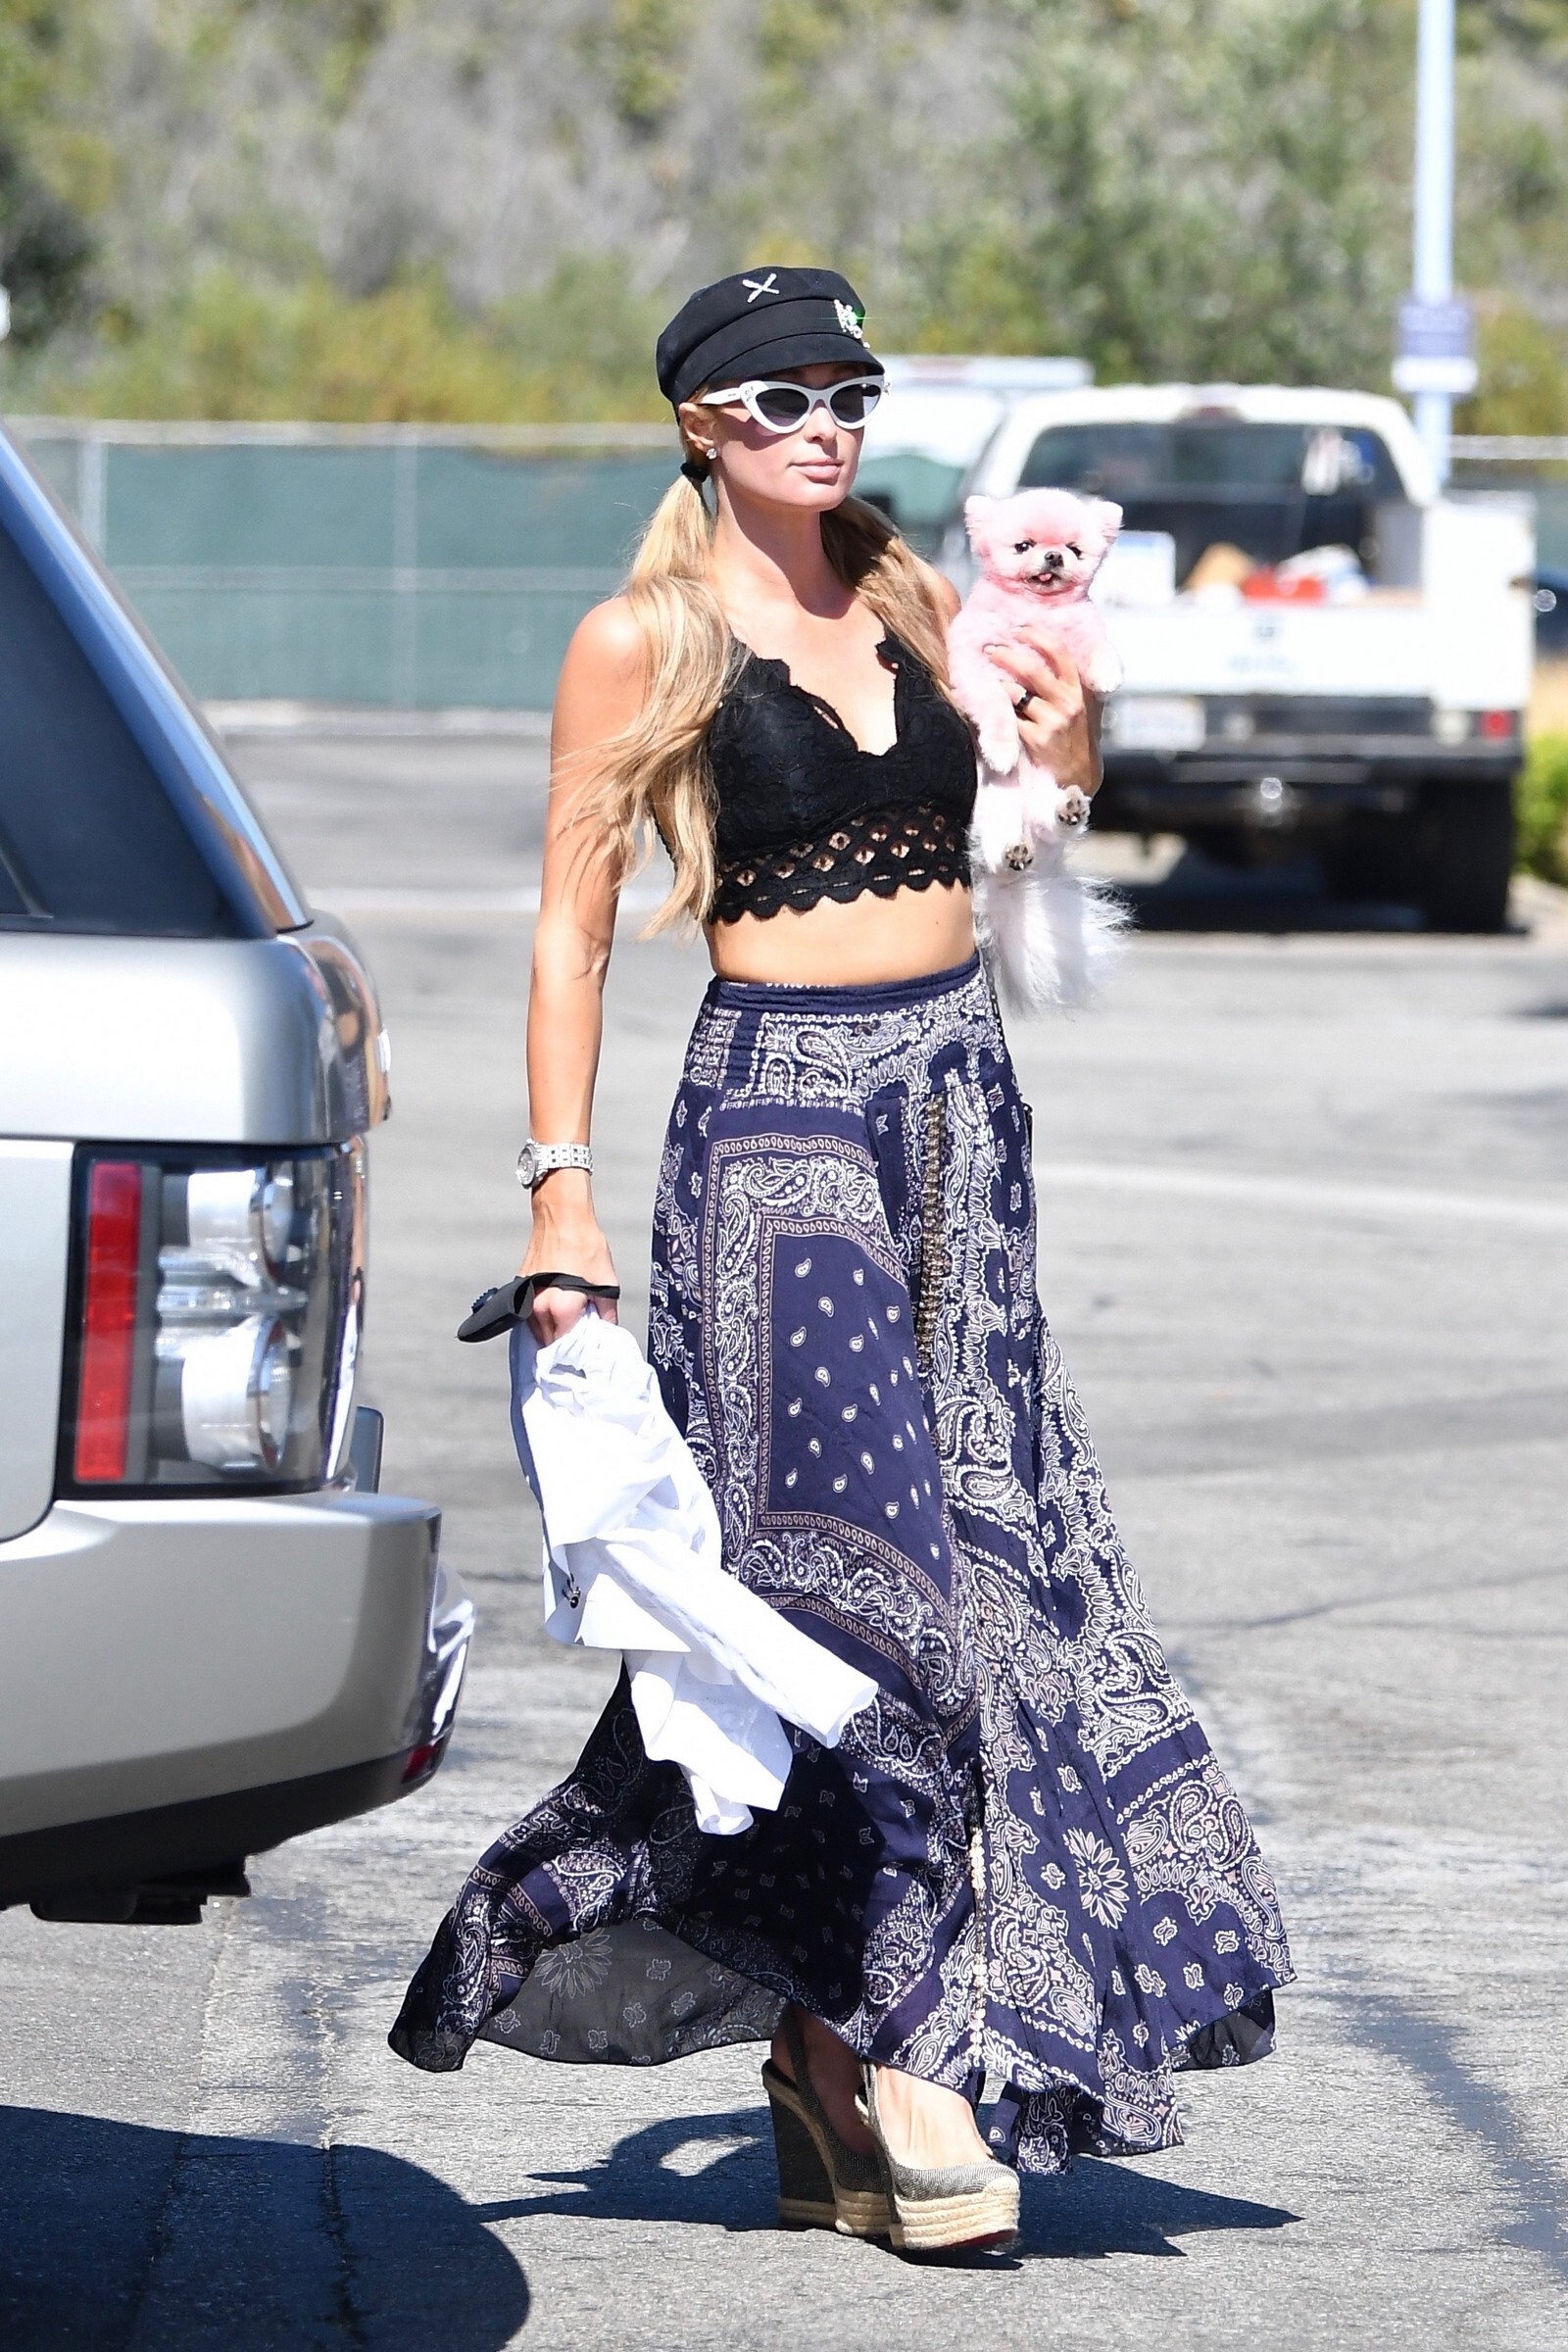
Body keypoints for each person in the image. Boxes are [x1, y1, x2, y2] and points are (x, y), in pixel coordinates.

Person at [391, 268, 1292, 2256]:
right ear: (699, 422)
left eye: (849, 393)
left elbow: (1018, 841)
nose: (826, 426)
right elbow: (568, 929)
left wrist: (1071, 743)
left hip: (957, 1115)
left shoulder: (911, 596)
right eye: (783, 397)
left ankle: (823, 2056)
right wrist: (557, 1196)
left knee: (998, 1560)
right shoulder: (641, 640)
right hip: (777, 1135)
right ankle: (902, 2049)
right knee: (854, 1587)